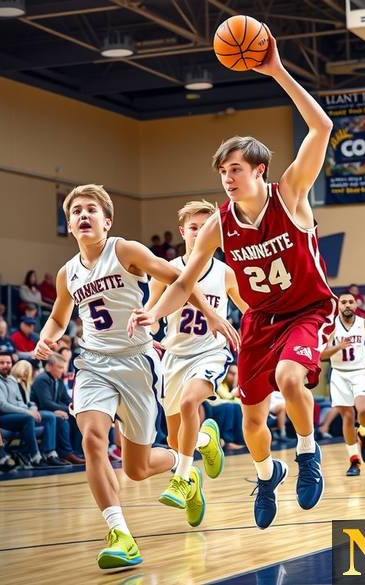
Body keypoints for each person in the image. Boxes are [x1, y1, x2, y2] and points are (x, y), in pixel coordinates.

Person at [129, 30, 335, 529]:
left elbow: (322, 126)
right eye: (223, 170)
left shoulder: (290, 194)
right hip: (261, 320)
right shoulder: (220, 222)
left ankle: (308, 455)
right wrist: (153, 312)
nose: (227, 176)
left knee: (291, 378)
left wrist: (276, 71)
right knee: (251, 421)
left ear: (260, 170)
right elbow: (184, 280)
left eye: (236, 168)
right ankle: (268, 474)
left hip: (307, 310)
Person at [35, 184, 237, 569]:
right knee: (93, 439)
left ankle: (186, 469)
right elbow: (60, 316)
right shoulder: (67, 274)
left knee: (137, 469)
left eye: (91, 209)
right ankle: (120, 534)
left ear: (107, 221)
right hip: (93, 362)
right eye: (76, 211)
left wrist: (212, 314)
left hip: (137, 362)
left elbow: (179, 279)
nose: (83, 215)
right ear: (70, 225)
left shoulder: (124, 250)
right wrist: (47, 339)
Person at [146, 200, 245, 520]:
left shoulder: (226, 273)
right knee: (177, 440)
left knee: (190, 404)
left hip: (212, 351)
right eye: (193, 227)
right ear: (182, 232)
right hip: (174, 355)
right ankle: (205, 442)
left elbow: (250, 310)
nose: (200, 232)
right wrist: (146, 326)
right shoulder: (166, 268)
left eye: (206, 228)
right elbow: (151, 309)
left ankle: (181, 479)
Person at [319, 293, 365, 476]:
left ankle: (363, 433)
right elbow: (320, 354)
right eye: (343, 302)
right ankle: (354, 461)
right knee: (348, 417)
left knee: (364, 411)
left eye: (350, 302)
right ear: (338, 305)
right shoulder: (330, 327)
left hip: (361, 372)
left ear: (356, 305)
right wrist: (337, 347)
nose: (347, 305)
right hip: (339, 374)